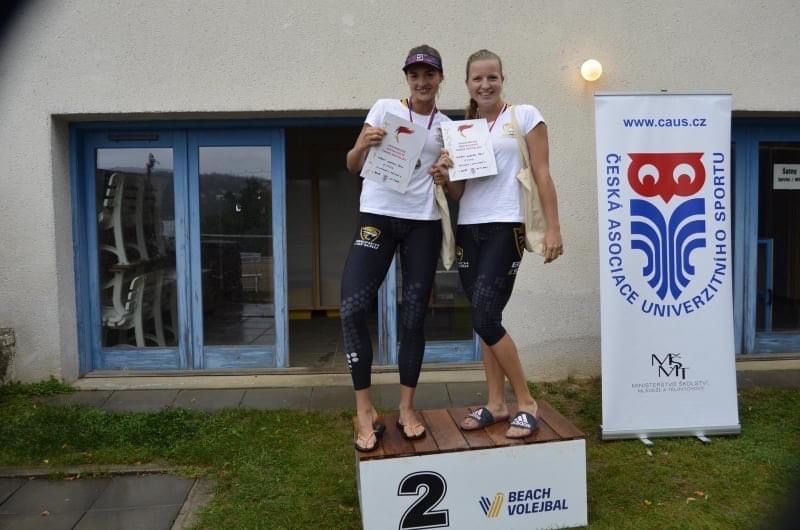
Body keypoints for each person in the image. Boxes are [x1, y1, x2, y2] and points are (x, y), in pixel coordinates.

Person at [433, 49, 563, 438]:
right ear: (467, 84)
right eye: (477, 78)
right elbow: (460, 193)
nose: (485, 85)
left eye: (492, 77)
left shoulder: (524, 116)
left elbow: (542, 173)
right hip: (469, 229)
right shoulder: (463, 131)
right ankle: (495, 404)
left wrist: (553, 229)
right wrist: (445, 176)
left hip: (507, 227)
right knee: (485, 319)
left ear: (502, 79)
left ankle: (526, 402)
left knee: (485, 317)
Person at [342, 45, 450, 451]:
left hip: (423, 222)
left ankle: (406, 408)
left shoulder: (447, 126)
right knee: (352, 306)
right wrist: (364, 145)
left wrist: (445, 174)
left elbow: (454, 181)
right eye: (414, 75)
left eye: (429, 75)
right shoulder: (384, 109)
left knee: (414, 314)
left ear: (440, 78)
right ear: (406, 78)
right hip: (378, 216)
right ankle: (364, 410)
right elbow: (352, 164)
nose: (422, 82)